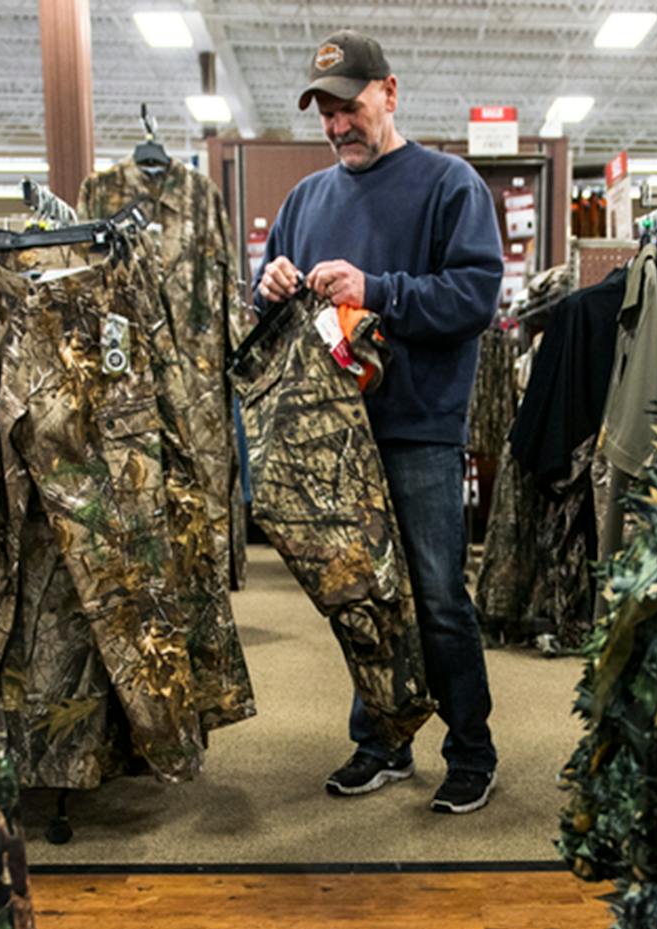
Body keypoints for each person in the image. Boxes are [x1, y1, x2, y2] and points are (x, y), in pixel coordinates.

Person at [256, 30, 505, 816]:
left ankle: (471, 748)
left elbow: (474, 299)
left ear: (389, 95)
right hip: (329, 437)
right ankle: (383, 740)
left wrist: (378, 290)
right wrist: (266, 288)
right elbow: (262, 307)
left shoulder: (449, 186)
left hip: (418, 428)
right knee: (361, 596)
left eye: (350, 108)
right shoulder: (305, 201)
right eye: (324, 113)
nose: (337, 127)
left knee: (435, 595)